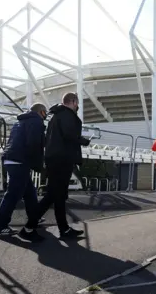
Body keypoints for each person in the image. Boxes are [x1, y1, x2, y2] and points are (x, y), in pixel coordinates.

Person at [22, 92, 90, 240]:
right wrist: (83, 140)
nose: (77, 106)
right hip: (62, 159)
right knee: (53, 194)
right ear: (73, 101)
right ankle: (28, 228)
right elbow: (69, 135)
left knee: (59, 196)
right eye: (77, 103)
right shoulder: (66, 115)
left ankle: (64, 229)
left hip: (55, 158)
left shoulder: (55, 116)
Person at [0, 103, 47, 241]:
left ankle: (35, 218)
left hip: (12, 159)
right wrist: (39, 165)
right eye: (45, 113)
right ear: (41, 112)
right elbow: (34, 144)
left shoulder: (21, 122)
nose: (45, 116)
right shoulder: (36, 121)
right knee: (12, 195)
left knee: (30, 192)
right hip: (20, 161)